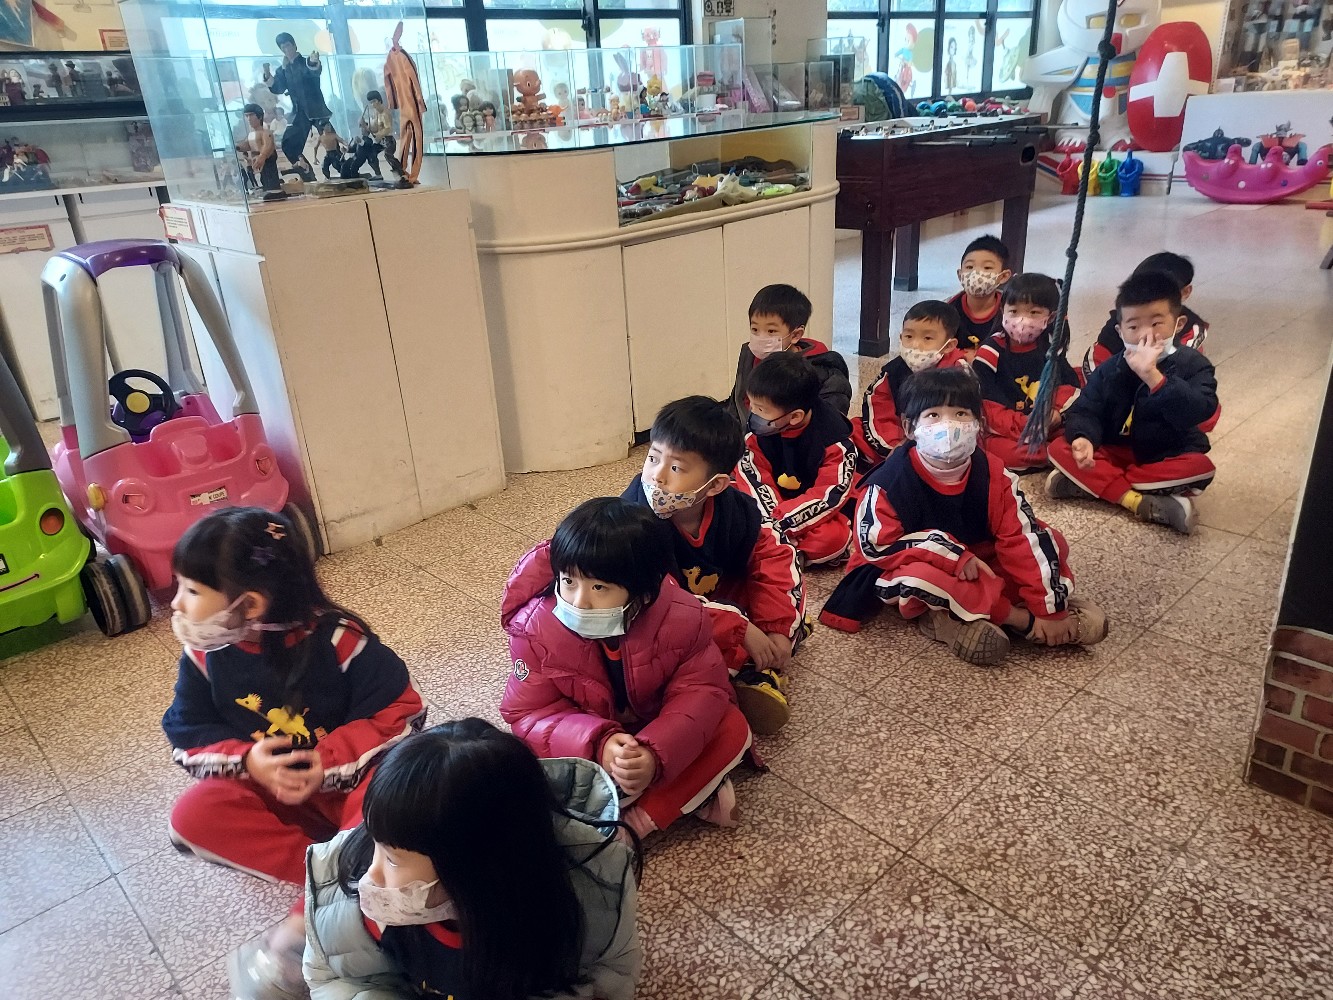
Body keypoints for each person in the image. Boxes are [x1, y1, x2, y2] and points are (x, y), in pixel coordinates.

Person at [160, 506, 425, 999]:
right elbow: (187, 731)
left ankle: (312, 917)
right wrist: (249, 762)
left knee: (398, 796)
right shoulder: (204, 655)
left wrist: (326, 762)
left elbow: (402, 713)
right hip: (283, 794)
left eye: (191, 590)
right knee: (192, 817)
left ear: (250, 604)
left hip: (353, 789)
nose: (175, 603)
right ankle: (339, 874)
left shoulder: (340, 640)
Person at [304, 720, 641, 1000]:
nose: (370, 875)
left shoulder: (588, 894)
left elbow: (609, 975)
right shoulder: (349, 890)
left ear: (473, 871)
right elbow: (333, 977)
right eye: (373, 841)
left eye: (392, 861)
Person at [501, 498, 752, 840]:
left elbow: (702, 692)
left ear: (644, 593)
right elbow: (530, 713)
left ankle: (635, 824)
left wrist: (653, 755)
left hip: (656, 726)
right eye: (568, 581)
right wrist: (598, 743)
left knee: (732, 726)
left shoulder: (683, 617)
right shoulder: (534, 629)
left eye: (599, 588)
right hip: (586, 736)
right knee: (515, 763)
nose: (578, 601)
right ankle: (690, 795)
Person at [819, 367, 1107, 666]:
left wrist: (1051, 610)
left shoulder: (995, 474)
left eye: (960, 414)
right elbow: (876, 547)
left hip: (977, 555)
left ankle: (984, 614)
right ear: (909, 427)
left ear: (978, 423)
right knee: (923, 578)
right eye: (933, 415)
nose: (949, 425)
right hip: (905, 562)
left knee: (1048, 540)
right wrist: (952, 556)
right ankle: (1020, 621)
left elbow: (1021, 536)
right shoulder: (887, 483)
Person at [622, 396, 805, 736]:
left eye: (676, 468)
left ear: (716, 484)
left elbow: (774, 557)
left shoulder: (737, 511)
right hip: (662, 613)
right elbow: (661, 601)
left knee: (779, 591)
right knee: (660, 654)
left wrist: (776, 629)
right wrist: (742, 629)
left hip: (717, 601)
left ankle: (758, 663)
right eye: (653, 458)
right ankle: (750, 674)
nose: (656, 477)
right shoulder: (632, 520)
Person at [1048, 271, 1219, 535]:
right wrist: (1084, 438)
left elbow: (1200, 409)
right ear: (1120, 331)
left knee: (1201, 468)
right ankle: (1136, 500)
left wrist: (1154, 377)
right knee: (1060, 448)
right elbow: (1086, 409)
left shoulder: (1193, 364)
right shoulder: (1111, 367)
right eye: (1134, 326)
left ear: (1179, 323)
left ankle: (1098, 485)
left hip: (1164, 454)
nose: (1145, 335)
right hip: (1114, 451)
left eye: (1157, 323)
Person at [736, 353, 856, 566]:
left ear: (795, 417)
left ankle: (777, 551)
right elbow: (754, 476)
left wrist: (782, 523)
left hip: (807, 510)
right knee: (730, 505)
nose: (753, 413)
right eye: (751, 404)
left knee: (833, 537)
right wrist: (771, 519)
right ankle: (788, 551)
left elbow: (829, 495)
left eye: (760, 409)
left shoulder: (835, 439)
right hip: (772, 502)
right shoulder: (758, 430)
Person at [973, 272, 1080, 473]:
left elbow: (1068, 385)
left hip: (1046, 425)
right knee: (994, 448)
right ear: (1002, 312)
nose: (1022, 320)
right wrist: (1024, 425)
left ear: (1051, 317)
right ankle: (1056, 457)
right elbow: (985, 403)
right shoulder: (991, 351)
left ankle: (1056, 455)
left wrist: (1056, 413)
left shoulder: (1051, 347)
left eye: (1034, 312)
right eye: (1013, 311)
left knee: (1082, 433)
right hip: (1006, 429)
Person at [851, 299, 966, 465]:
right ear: (900, 337)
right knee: (853, 429)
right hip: (900, 434)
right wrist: (893, 446)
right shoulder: (893, 371)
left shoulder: (960, 374)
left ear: (949, 345)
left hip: (944, 441)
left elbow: (965, 418)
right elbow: (878, 409)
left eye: (927, 338)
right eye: (909, 336)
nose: (915, 345)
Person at [730, 283, 852, 426]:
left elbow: (829, 425)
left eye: (771, 331)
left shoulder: (823, 373)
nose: (760, 338)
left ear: (795, 335)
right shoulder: (750, 357)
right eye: (755, 329)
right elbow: (738, 404)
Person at [1082, 252, 1209, 379]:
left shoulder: (1192, 329)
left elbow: (1186, 374)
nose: (1145, 334)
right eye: (1140, 290)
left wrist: (1151, 375)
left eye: (1162, 293)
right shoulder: (1119, 324)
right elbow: (1094, 362)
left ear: (1185, 292)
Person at [265, 32, 332, 181]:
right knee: (289, 145)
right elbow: (278, 88)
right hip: (299, 112)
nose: (286, 49)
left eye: (288, 45)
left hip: (317, 110)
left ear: (295, 45)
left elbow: (314, 71)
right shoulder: (283, 69)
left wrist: (313, 62)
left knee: (331, 143)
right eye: (283, 47)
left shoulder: (305, 62)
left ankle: (345, 172)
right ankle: (308, 176)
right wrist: (268, 76)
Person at [947, 234, 1012, 356]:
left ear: (1003, 276)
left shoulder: (1011, 310)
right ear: (960, 275)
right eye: (969, 267)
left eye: (987, 267)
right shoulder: (949, 309)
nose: (976, 273)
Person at [236, 103, 279, 192]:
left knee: (270, 178)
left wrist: (263, 156)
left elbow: (267, 145)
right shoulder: (251, 134)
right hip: (256, 160)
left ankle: (274, 191)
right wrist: (238, 147)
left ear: (259, 116)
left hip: (266, 159)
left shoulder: (265, 132)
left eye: (251, 115)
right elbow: (248, 145)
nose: (249, 119)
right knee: (262, 179)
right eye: (247, 116)